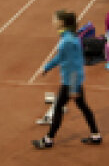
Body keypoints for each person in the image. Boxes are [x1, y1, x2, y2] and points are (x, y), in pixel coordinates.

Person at [34, 10, 102, 149]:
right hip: (73, 80)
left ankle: (48, 140)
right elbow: (62, 57)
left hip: (70, 82)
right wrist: (47, 67)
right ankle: (96, 135)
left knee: (59, 108)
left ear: (61, 22)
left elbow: (73, 65)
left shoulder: (67, 41)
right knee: (82, 107)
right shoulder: (69, 37)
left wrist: (73, 88)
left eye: (54, 19)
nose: (52, 22)